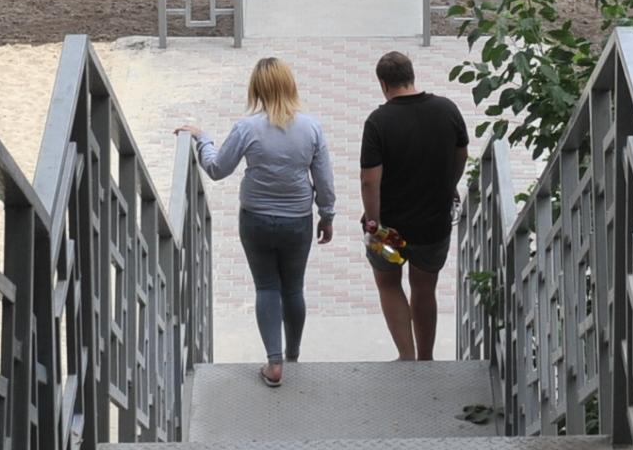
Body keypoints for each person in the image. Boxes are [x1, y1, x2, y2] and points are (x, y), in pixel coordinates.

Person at [176, 56, 334, 388]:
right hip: (298, 220)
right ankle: (293, 353)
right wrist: (327, 215)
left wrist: (202, 138)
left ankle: (274, 363)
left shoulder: (246, 129)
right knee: (294, 287)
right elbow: (324, 179)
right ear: (291, 85)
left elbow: (217, 169)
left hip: (256, 220)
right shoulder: (311, 127)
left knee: (266, 287)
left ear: (256, 89)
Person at [357, 49, 472, 360]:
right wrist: (449, 186)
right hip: (432, 224)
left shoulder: (378, 122)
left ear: (383, 84)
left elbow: (370, 180)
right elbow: (461, 154)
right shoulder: (447, 110)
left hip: (390, 229)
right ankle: (425, 358)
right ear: (412, 76)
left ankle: (406, 356)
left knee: (389, 284)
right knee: (424, 288)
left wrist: (373, 223)